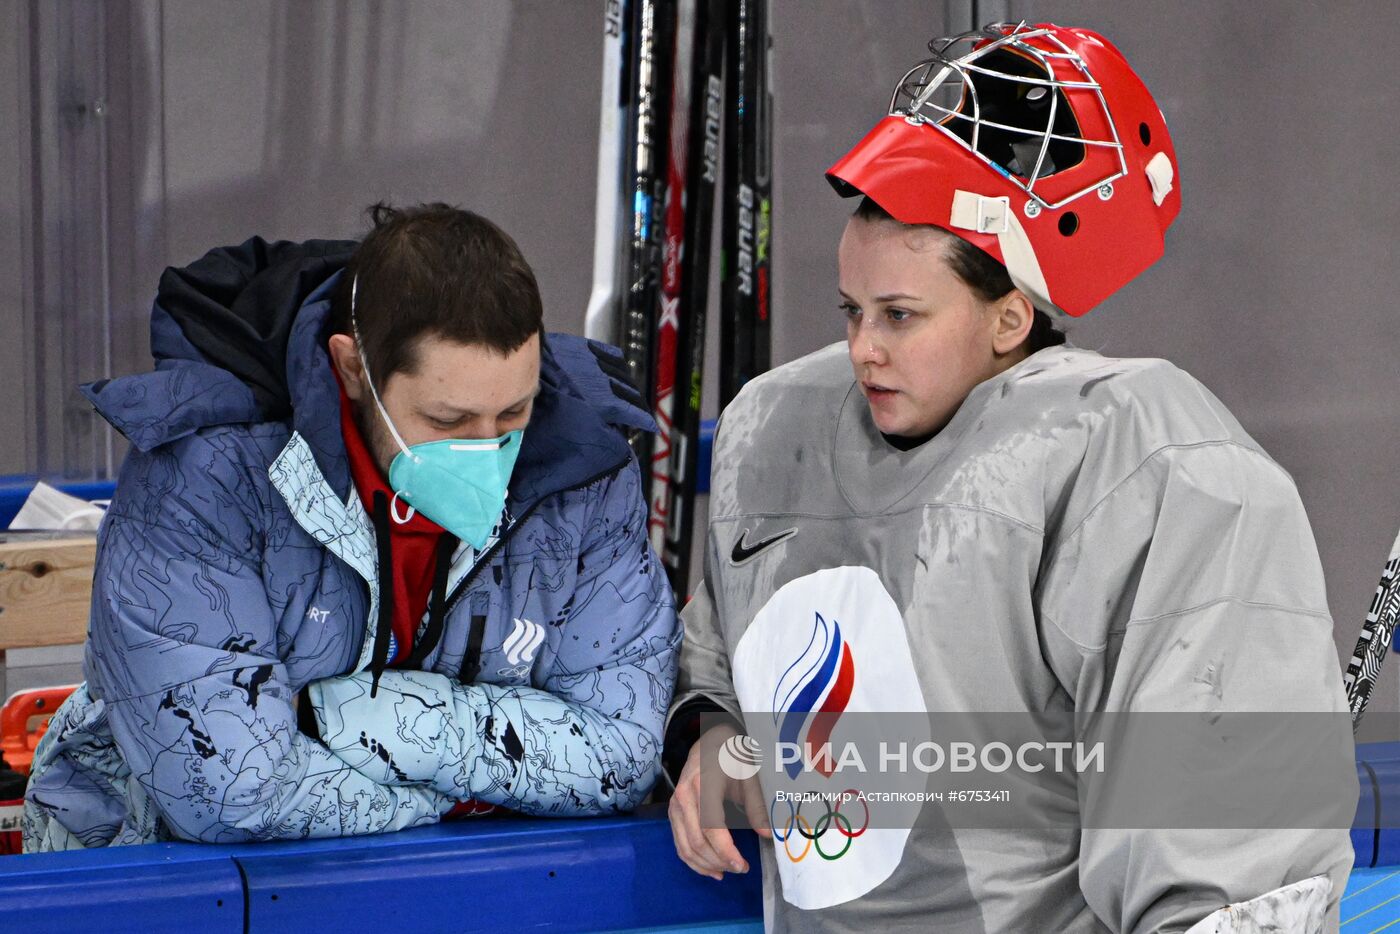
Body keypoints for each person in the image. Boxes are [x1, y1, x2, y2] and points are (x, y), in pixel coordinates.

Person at [664, 22, 1355, 932]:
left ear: (1009, 318)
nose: (863, 346)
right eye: (852, 310)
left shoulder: (1145, 460)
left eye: (902, 315)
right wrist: (713, 732)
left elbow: (1216, 816)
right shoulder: (775, 425)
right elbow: (718, 649)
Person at [24, 203, 679, 850]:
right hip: (163, 889)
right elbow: (226, 794)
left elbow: (623, 751)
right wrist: (473, 792)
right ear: (352, 368)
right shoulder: (207, 475)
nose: (490, 450)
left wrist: (421, 730)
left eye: (514, 411)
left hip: (457, 891)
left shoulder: (582, 472)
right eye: (448, 422)